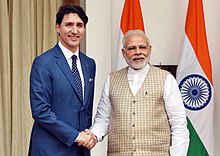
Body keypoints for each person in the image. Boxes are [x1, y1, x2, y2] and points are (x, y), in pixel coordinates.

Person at [89, 30, 189, 156]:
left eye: (142, 47)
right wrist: (93, 136)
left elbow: (178, 123)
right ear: (123, 53)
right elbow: (103, 119)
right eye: (131, 48)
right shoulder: (112, 79)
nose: (138, 52)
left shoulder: (166, 79)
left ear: (150, 49)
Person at [28, 4, 97, 156]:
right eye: (69, 25)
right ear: (58, 27)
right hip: (50, 149)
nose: (74, 30)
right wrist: (76, 136)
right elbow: (41, 111)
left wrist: (89, 135)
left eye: (79, 25)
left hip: (81, 150)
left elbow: (86, 109)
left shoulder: (89, 64)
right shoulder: (43, 62)